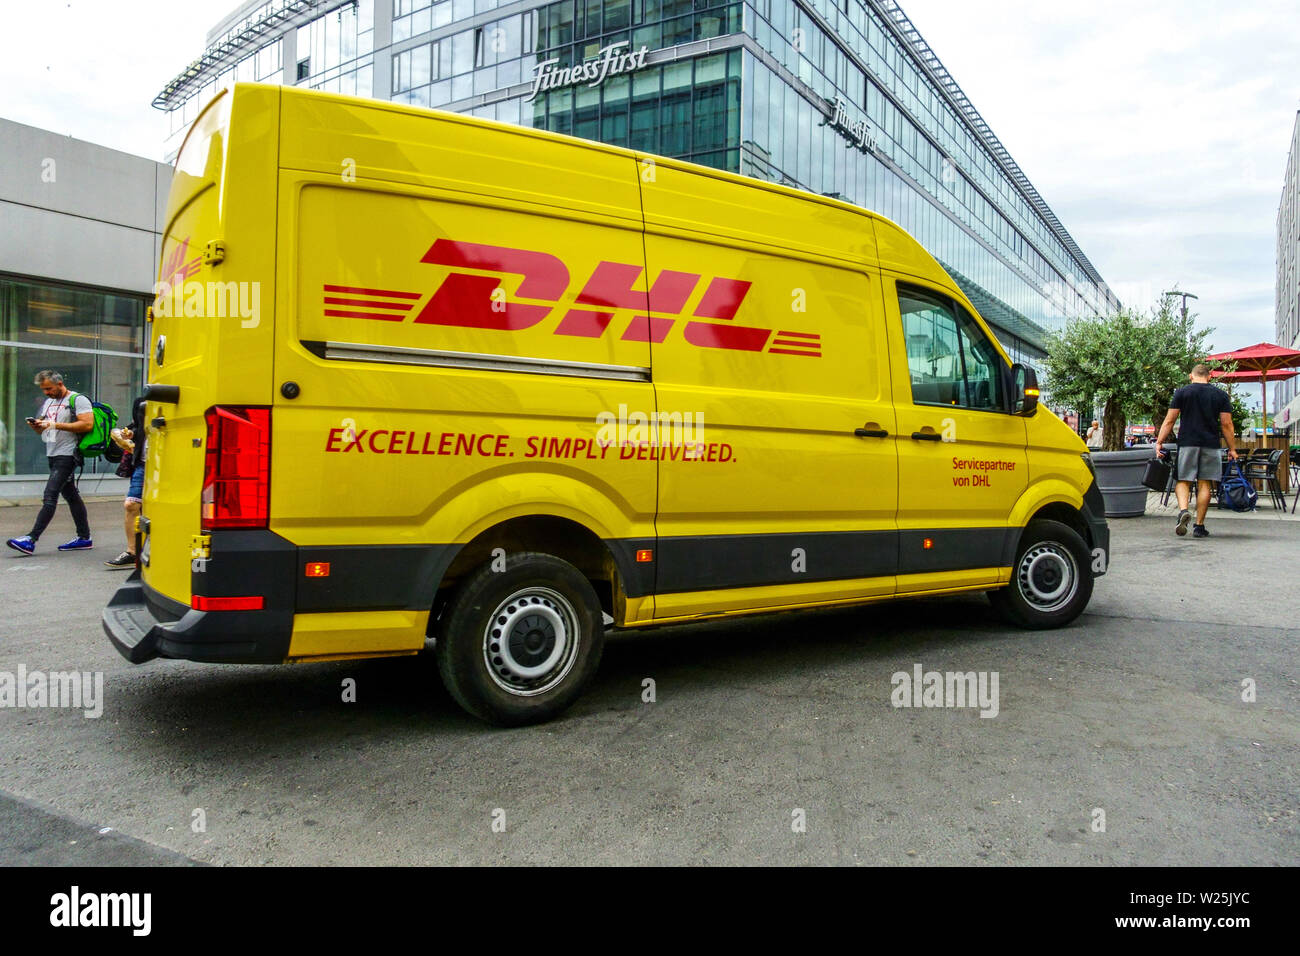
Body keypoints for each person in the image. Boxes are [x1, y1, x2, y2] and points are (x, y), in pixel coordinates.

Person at [6, 371, 94, 555]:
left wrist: (54, 425)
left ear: (60, 383)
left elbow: (87, 425)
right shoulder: (49, 402)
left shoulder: (78, 400)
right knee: (71, 495)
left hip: (69, 454)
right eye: (43, 389)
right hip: (52, 453)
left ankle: (31, 539)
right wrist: (38, 426)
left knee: (50, 495)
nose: (46, 392)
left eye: (49, 388)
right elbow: (46, 429)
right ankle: (84, 538)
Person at [1154, 364, 1236, 538]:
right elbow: (1227, 424)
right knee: (1205, 483)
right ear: (1210, 376)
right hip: (1211, 444)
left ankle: (1183, 510)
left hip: (1187, 443)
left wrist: (1159, 442)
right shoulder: (1220, 395)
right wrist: (1232, 448)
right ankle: (1199, 526)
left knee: (1183, 480)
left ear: (1190, 376)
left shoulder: (1182, 393)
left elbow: (1169, 420)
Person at [105, 396, 147, 569]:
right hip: (144, 464)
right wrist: (127, 437)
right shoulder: (142, 402)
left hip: (167, 466)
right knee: (131, 505)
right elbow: (121, 430)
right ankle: (132, 551)